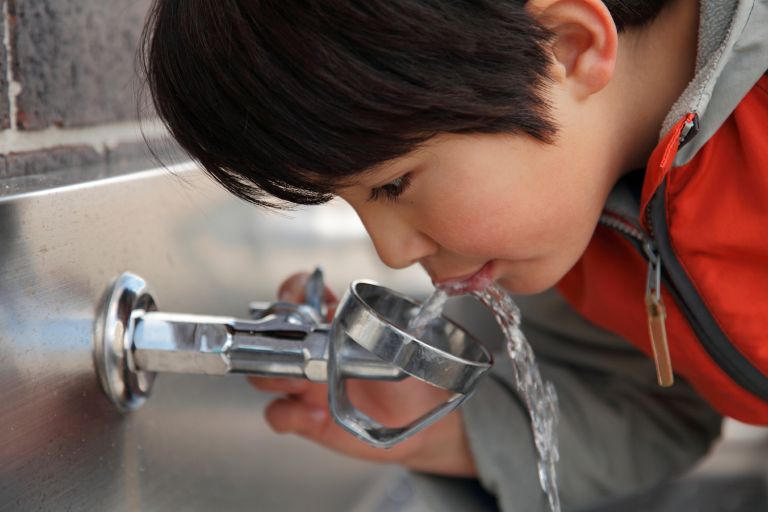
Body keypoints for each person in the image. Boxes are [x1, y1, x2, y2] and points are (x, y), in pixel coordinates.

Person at [140, 1, 768, 510]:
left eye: (393, 184)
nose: (391, 252)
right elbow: (656, 407)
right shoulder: (586, 211)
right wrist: (446, 430)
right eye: (354, 204)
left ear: (568, 47)